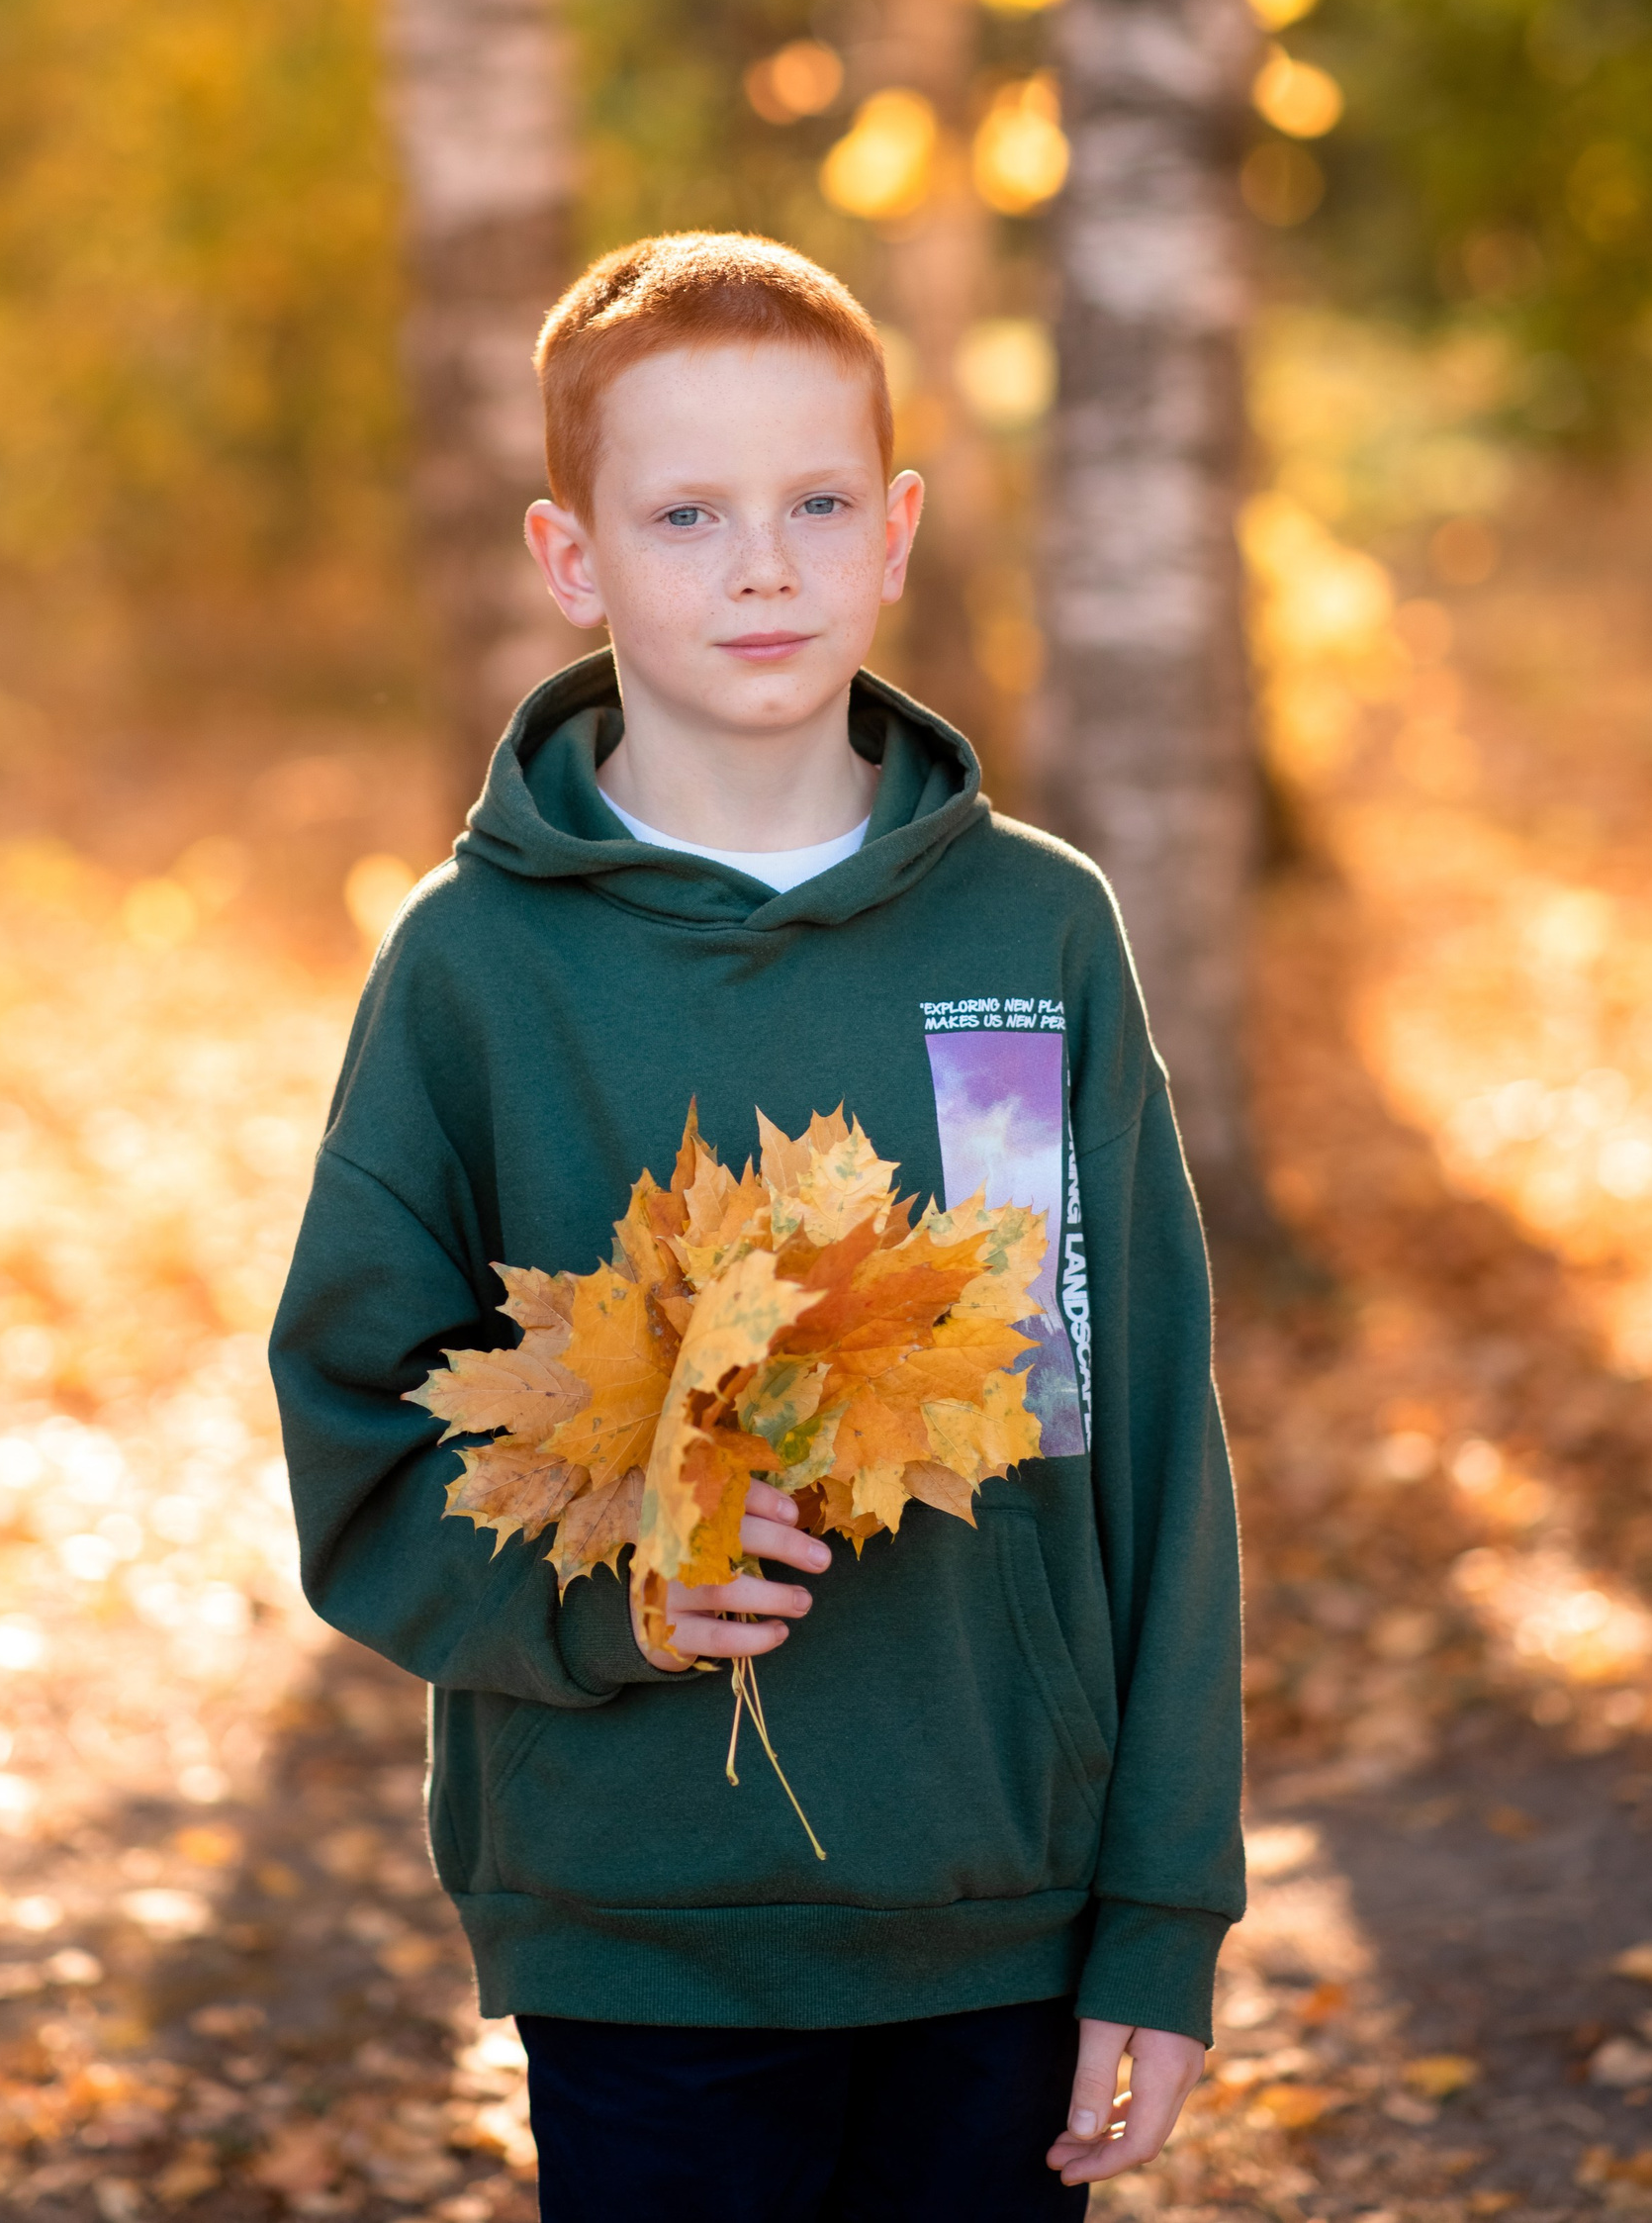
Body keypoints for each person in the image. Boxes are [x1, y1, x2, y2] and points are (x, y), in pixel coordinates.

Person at [269, 232, 1244, 2223]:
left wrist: (1161, 1916)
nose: (762, 568)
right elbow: (358, 1432)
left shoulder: (1036, 931)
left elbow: (1146, 1430)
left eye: (814, 504)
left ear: (897, 532)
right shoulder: (476, 970)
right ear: (572, 559)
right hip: (635, 1922)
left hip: (1001, 1901)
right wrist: (602, 1596)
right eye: (687, 515)